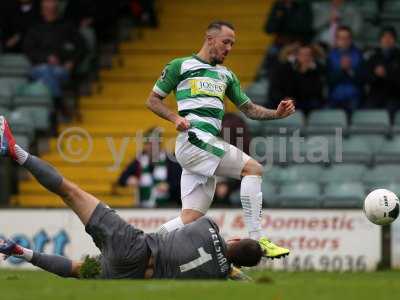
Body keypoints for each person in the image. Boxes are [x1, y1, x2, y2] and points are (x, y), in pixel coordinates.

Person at [0, 116, 262, 280]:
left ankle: (14, 151)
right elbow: (231, 271)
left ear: (236, 239)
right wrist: (238, 267)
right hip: (129, 274)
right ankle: (18, 251)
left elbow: (188, 219)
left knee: (70, 192)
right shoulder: (218, 275)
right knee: (78, 271)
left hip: (136, 246)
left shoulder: (209, 227)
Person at [146, 21, 294, 258]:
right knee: (253, 169)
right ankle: (258, 239)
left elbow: (250, 109)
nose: (229, 48)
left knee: (190, 217)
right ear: (209, 38)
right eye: (226, 42)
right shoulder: (180, 65)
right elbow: (153, 100)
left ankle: (146, 248)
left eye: (233, 44)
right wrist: (175, 118)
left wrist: (276, 114)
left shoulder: (226, 75)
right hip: (193, 140)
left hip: (202, 145)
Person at [23, 0, 86, 100]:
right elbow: (29, 50)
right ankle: (57, 102)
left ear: (57, 10)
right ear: (42, 11)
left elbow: (81, 47)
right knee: (45, 72)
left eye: (52, 9)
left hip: (61, 68)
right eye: (47, 9)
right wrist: (46, 58)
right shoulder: (35, 29)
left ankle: (54, 104)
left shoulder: (67, 27)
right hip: (39, 67)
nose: (50, 12)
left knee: (46, 77)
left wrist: (72, 61)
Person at [117, 127, 182, 207]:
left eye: (154, 144)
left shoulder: (170, 160)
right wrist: (129, 179)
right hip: (143, 207)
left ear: (159, 144)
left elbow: (180, 181)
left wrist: (169, 186)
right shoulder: (139, 161)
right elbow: (121, 179)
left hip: (168, 206)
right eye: (148, 143)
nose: (151, 147)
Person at [269, 44, 325, 114]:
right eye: (302, 55)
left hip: (308, 105)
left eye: (308, 55)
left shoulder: (317, 71)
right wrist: (284, 99)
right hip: (286, 103)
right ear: (296, 56)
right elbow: (275, 90)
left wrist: (305, 72)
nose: (305, 58)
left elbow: (317, 93)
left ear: (312, 57)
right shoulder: (285, 69)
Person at [326, 25, 364, 113]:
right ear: (337, 40)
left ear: (351, 39)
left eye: (347, 38)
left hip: (354, 97)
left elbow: (363, 79)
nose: (344, 41)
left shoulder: (359, 55)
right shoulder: (330, 56)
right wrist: (342, 70)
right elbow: (329, 80)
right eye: (341, 38)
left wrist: (350, 70)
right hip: (334, 97)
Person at [365, 26, 400, 111]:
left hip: (394, 96)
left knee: (391, 109)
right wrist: (376, 75)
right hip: (375, 95)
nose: (387, 40)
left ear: (394, 40)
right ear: (380, 40)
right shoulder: (373, 57)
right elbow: (367, 78)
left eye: (390, 37)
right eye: (384, 37)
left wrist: (386, 74)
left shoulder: (398, 57)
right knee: (368, 110)